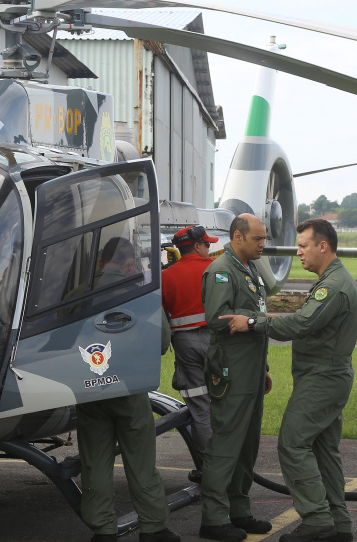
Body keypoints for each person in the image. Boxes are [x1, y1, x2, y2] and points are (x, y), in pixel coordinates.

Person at [221, 218, 357, 542]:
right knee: (325, 452)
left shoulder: (334, 285)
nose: (298, 252)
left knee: (292, 443)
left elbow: (300, 325)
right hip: (326, 377)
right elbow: (304, 322)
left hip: (322, 379)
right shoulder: (334, 280)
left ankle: (317, 520)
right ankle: (338, 525)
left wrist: (252, 323)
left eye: (303, 246)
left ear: (322, 246)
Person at [76, 237, 181, 542]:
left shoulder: (78, 294)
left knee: (95, 460)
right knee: (140, 459)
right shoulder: (141, 292)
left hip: (89, 386)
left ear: (99, 263)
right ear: (130, 264)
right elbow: (162, 342)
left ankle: (103, 529)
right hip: (128, 385)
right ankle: (152, 527)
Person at [198, 213, 273, 542]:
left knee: (247, 444)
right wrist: (257, 318)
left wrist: (264, 369)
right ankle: (213, 518)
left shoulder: (250, 269)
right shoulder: (221, 270)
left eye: (264, 238)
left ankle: (238, 510)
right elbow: (216, 319)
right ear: (238, 237)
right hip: (231, 370)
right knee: (226, 444)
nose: (263, 244)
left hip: (252, 370)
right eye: (257, 238)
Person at [161, 225, 219, 479]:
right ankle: (229, 467)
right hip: (220, 344)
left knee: (199, 407)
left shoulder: (166, 276)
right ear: (197, 246)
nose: (209, 249)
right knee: (227, 404)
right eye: (207, 244)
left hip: (186, 346)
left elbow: (163, 315)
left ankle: (209, 469)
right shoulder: (217, 269)